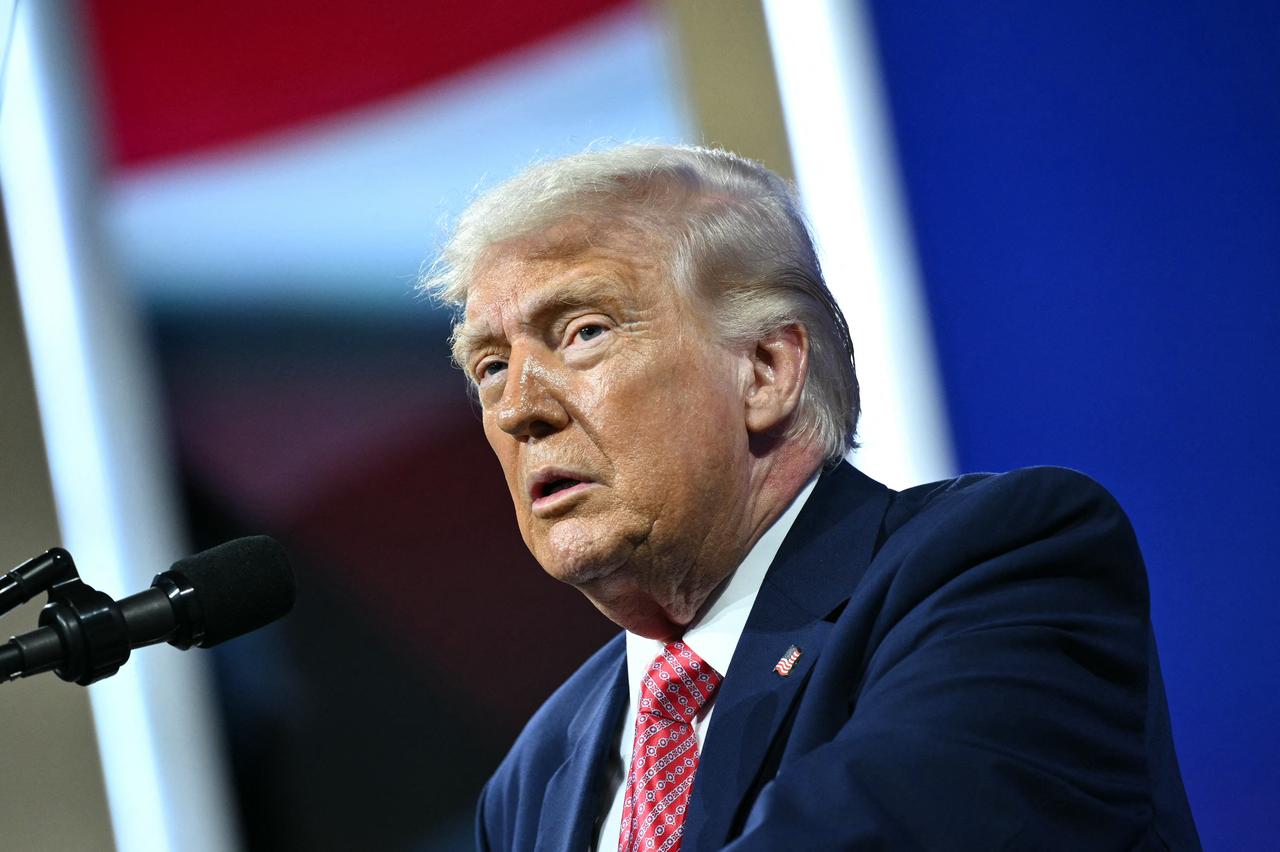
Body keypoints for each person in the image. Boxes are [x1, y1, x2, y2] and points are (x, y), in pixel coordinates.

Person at [422, 144, 1200, 851]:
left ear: (765, 369)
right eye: (490, 366)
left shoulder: (1000, 570)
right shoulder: (539, 771)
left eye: (585, 331)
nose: (519, 405)